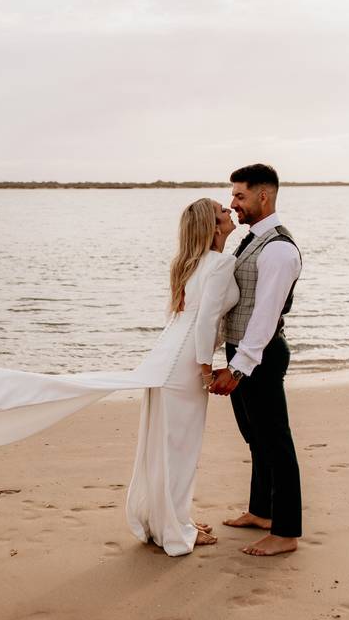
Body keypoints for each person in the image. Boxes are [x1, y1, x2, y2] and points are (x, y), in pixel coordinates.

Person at [124, 198, 239, 556]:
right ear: (213, 226)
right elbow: (205, 322)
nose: (230, 212)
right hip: (186, 364)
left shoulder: (189, 263)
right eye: (223, 211)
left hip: (168, 358)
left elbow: (181, 319)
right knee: (180, 450)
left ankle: (168, 519)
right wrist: (205, 368)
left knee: (165, 448)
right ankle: (175, 528)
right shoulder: (220, 263)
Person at [209, 163, 303, 556]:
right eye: (232, 195)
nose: (234, 203)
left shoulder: (279, 249)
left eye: (240, 195)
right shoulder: (252, 239)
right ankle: (261, 511)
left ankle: (285, 532)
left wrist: (238, 367)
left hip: (260, 355)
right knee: (256, 438)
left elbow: (264, 316)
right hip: (245, 352)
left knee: (276, 441)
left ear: (264, 195)